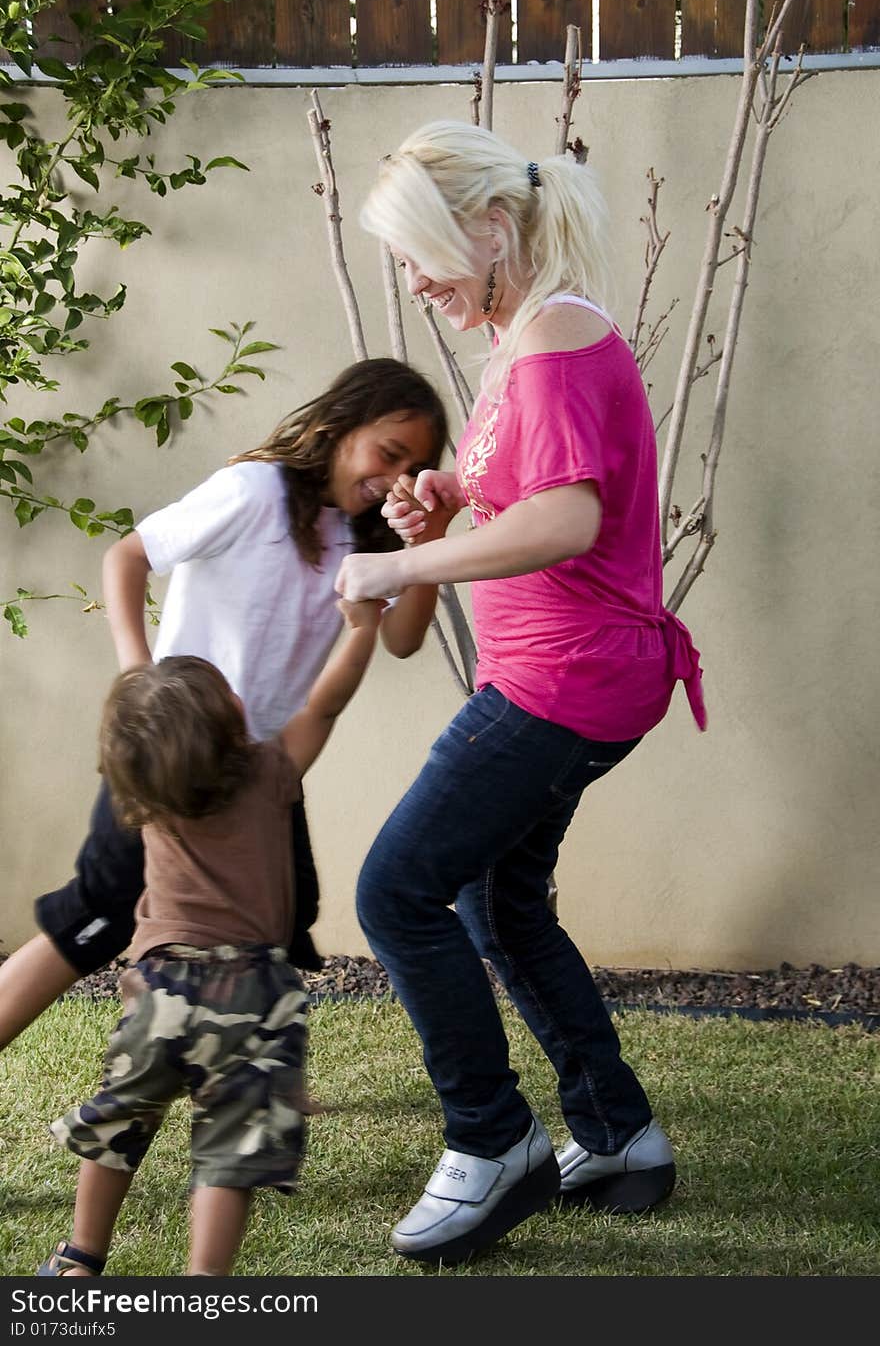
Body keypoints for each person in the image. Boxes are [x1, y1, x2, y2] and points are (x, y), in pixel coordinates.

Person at [334, 121, 707, 1265]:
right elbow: (534, 502)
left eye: (424, 255)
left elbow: (570, 520)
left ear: (492, 228)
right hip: (564, 672)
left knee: (398, 888)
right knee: (501, 903)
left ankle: (492, 1142)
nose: (416, 282)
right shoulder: (533, 338)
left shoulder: (549, 343)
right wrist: (453, 502)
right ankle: (620, 1135)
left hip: (565, 678)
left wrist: (400, 562)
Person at [0, 359, 450, 1053]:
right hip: (175, 754)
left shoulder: (364, 539)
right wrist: (137, 679)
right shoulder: (253, 491)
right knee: (97, 910)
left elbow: (403, 638)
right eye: (389, 454)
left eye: (412, 467)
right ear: (339, 426)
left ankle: (260, 1081)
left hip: (265, 769)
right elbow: (127, 557)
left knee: (279, 920)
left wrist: (428, 542)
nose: (395, 479)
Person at [39, 605, 383, 1277]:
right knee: (229, 1150)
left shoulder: (145, 794)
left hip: (160, 988)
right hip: (254, 992)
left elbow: (144, 735)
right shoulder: (270, 770)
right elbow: (328, 701)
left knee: (121, 1119)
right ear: (232, 716)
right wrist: (363, 628)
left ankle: (80, 1256)